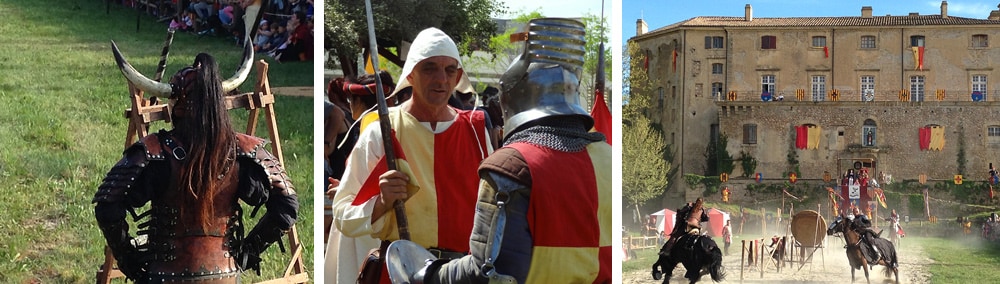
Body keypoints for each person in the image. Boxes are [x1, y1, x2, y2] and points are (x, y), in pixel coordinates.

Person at [387, 18, 611, 283]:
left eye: (449, 71)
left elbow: (490, 270)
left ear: (512, 97)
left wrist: (428, 275)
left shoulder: (512, 166)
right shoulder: (608, 157)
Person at [95, 43, 298, 282]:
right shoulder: (244, 151)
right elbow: (287, 205)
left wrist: (131, 261)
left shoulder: (153, 152)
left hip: (163, 275)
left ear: (177, 106)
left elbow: (107, 206)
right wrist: (245, 253)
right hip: (224, 274)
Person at [329, 27, 493, 283]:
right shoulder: (383, 131)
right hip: (399, 273)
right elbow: (342, 213)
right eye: (430, 68)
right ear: (411, 74)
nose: (441, 79)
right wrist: (381, 204)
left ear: (458, 75)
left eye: (450, 70)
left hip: (462, 274)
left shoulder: (476, 131)